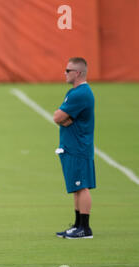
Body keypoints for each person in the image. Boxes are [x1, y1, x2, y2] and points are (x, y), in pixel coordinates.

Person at [54, 57, 95, 239]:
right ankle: (78, 224)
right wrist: (65, 119)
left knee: (82, 186)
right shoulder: (75, 92)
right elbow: (62, 117)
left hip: (78, 146)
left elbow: (57, 117)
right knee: (76, 186)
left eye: (68, 70)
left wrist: (64, 119)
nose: (65, 73)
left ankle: (85, 228)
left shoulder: (80, 94)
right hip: (72, 145)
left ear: (77, 73)